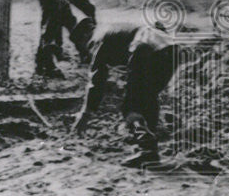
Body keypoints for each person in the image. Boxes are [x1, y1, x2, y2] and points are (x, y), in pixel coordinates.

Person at [70, 21, 179, 165]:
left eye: (82, 45)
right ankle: (148, 146)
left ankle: (147, 150)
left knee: (130, 106)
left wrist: (85, 113)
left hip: (145, 48)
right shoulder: (113, 29)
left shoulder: (97, 38)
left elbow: (96, 80)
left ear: (85, 36)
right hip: (171, 49)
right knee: (148, 97)